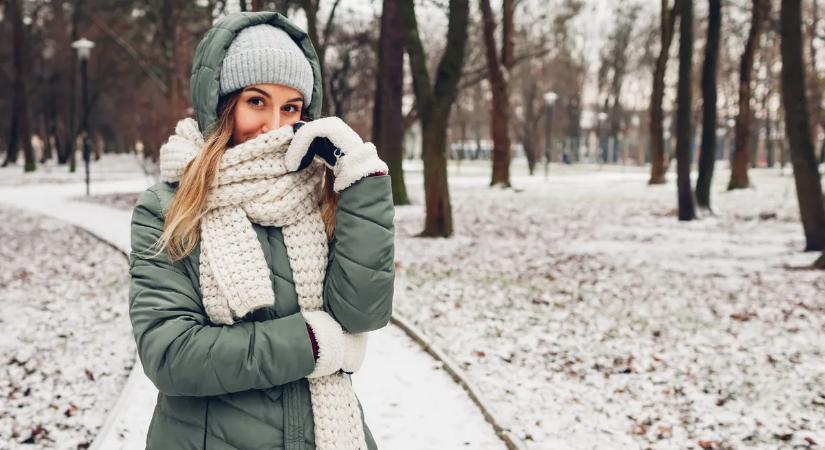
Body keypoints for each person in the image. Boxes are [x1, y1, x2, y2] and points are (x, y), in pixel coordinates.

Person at [128, 11, 394, 450]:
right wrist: (312, 343)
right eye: (256, 102)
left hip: (327, 432)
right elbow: (171, 355)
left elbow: (361, 315)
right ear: (222, 104)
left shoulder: (321, 192)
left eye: (290, 108)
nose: (274, 126)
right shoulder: (169, 207)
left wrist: (361, 177)